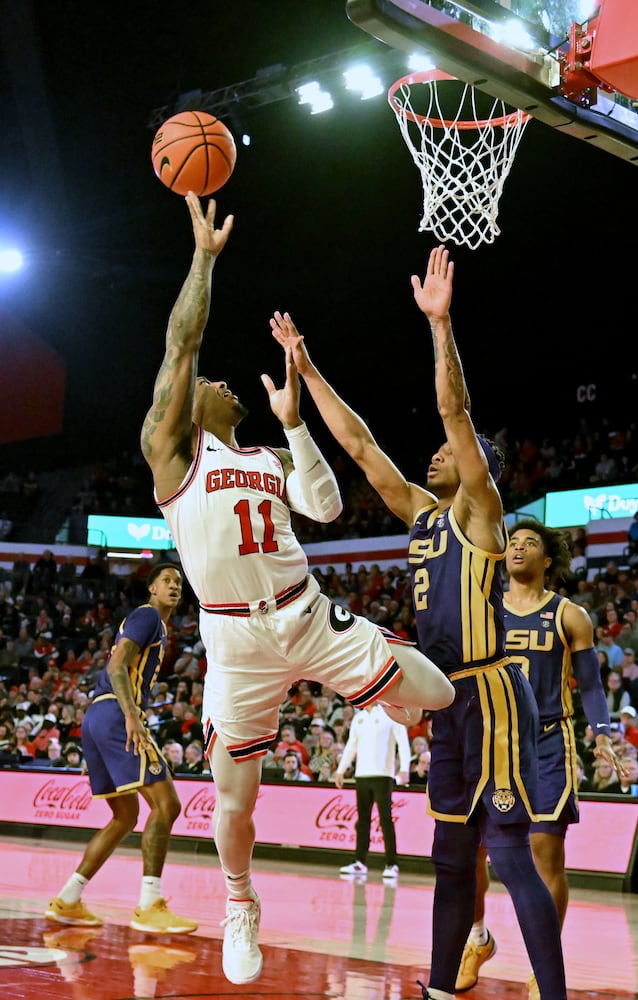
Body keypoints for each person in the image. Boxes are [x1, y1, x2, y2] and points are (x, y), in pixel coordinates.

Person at [140, 194, 454, 987]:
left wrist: (294, 424)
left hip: (306, 614)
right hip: (234, 642)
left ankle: (375, 681)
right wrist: (204, 259)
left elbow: (327, 505)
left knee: (437, 694)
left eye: (218, 379)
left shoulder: (267, 460)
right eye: (209, 382)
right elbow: (183, 344)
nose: (216, 380)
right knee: (234, 803)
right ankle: (240, 900)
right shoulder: (173, 456)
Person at [270, 244, 567, 999]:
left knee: (507, 850)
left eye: (445, 454)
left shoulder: (479, 508)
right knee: (447, 853)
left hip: (494, 690)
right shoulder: (420, 514)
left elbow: (454, 411)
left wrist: (439, 326)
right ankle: (440, 988)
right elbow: (361, 446)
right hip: (443, 696)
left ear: (474, 468)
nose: (432, 456)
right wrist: (307, 375)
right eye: (433, 454)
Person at [456, 520, 626, 992]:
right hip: (491, 740)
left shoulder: (570, 615)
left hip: (548, 740)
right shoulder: (484, 610)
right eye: (513, 542)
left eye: (530, 543)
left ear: (547, 559)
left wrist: (603, 734)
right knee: (470, 851)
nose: (518, 548)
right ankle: (477, 938)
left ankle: (542, 966)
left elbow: (590, 685)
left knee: (547, 855)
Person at [46, 563, 197, 934]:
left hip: (98, 717)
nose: (175, 587)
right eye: (167, 581)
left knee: (125, 816)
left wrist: (103, 737)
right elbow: (116, 667)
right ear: (151, 590)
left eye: (178, 583)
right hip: (116, 712)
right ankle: (148, 905)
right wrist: (131, 716)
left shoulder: (153, 623)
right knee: (167, 804)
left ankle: (68, 898)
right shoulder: (147, 617)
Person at [334, 701, 411, 880]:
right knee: (362, 821)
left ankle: (392, 864)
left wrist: (404, 768)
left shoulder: (391, 713)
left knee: (385, 820)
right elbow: (351, 745)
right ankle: (359, 861)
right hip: (362, 775)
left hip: (383, 775)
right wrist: (340, 769)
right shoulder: (359, 718)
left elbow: (403, 741)